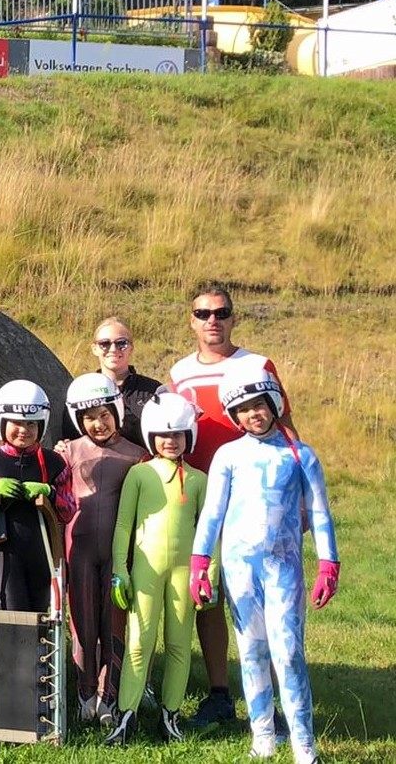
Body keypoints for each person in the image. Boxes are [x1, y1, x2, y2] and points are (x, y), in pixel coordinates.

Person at [190, 365, 339, 764]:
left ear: (273, 404)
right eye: (244, 409)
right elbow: (212, 513)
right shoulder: (228, 455)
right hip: (240, 571)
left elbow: (321, 512)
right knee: (252, 651)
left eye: (259, 405)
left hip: (284, 568)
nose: (253, 414)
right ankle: (263, 734)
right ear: (234, 416)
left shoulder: (300, 454)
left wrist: (329, 564)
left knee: (288, 652)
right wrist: (200, 562)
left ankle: (303, 741)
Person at [169, 282, 295, 728]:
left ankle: (276, 700)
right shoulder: (180, 373)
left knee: (264, 598)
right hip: (203, 498)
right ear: (191, 320)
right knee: (210, 597)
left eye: (221, 313)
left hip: (257, 499)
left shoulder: (257, 364)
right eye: (203, 313)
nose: (212, 321)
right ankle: (220, 693)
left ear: (233, 317)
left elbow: (287, 430)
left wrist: (296, 500)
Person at [105, 392, 209, 745]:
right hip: (146, 572)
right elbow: (123, 526)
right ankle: (126, 715)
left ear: (189, 436)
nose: (170, 441)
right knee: (138, 642)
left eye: (178, 434)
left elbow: (210, 532)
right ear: (151, 435)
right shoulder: (139, 474)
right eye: (164, 435)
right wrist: (121, 568)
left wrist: (209, 574)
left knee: (179, 644)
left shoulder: (199, 480)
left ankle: (170, 714)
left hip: (185, 573)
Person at [58, 372, 147, 725]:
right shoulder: (68, 451)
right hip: (77, 551)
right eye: (89, 417)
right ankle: (84, 694)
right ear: (79, 419)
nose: (98, 423)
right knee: (83, 624)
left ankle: (109, 696)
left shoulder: (136, 455)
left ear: (118, 410)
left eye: (104, 414)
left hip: (117, 555)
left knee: (113, 623)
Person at [0, 379, 74, 611]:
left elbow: (69, 509)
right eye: (16, 423)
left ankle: (37, 649)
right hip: (3, 552)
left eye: (31, 424)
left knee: (41, 616)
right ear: (2, 422)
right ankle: (11, 649)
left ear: (41, 425)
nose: (24, 430)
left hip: (43, 551)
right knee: (11, 611)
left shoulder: (54, 462)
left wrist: (49, 491)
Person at [60, 317, 161, 448]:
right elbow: (70, 438)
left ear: (131, 348)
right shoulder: (80, 392)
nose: (113, 349)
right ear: (94, 348)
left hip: (144, 466)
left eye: (121, 343)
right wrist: (63, 447)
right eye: (104, 343)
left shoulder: (152, 390)